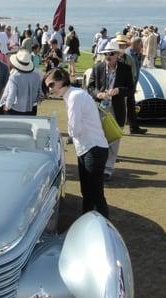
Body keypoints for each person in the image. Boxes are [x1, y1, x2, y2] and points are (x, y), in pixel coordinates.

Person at [45, 68, 109, 218]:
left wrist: (60, 135)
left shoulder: (74, 96)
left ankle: (104, 226)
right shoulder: (72, 95)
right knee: (87, 192)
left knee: (95, 193)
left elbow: (75, 129)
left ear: (61, 81)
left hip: (93, 148)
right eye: (47, 86)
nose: (49, 89)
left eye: (51, 85)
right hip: (88, 148)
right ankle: (87, 224)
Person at [87, 40, 135, 180]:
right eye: (106, 53)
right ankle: (98, 165)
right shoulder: (97, 67)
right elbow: (90, 87)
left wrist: (119, 90)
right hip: (99, 108)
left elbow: (131, 90)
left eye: (111, 53)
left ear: (118, 55)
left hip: (117, 108)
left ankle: (108, 169)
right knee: (98, 136)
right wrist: (98, 94)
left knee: (114, 138)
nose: (108, 56)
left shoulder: (125, 69)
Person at [0, 49, 42, 115]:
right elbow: (40, 93)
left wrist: (7, 106)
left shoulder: (14, 77)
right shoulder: (36, 75)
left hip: (15, 110)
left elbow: (11, 95)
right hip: (32, 108)